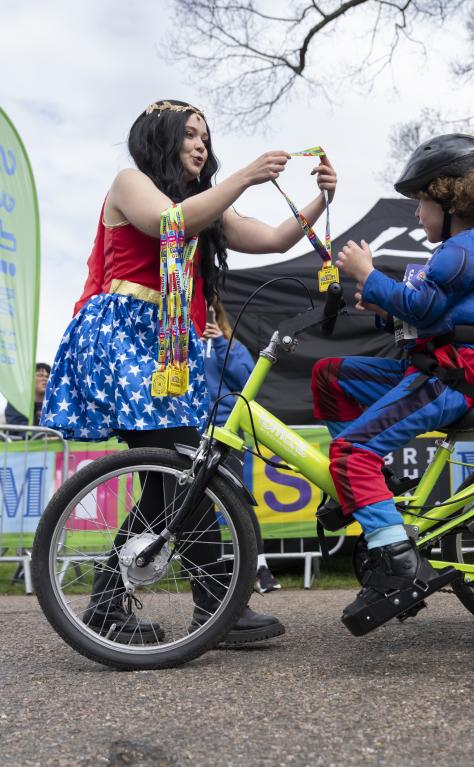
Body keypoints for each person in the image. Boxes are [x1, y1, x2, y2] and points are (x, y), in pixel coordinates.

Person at [41, 99, 336, 644]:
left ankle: (112, 606)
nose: (201, 144)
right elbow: (167, 223)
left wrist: (322, 198)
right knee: (183, 469)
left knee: (168, 482)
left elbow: (272, 239)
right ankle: (219, 607)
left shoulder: (204, 204)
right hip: (123, 338)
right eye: (189, 134)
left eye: (205, 136)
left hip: (165, 351)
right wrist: (246, 175)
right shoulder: (130, 182)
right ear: (161, 139)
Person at [311, 134, 474, 634]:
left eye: (422, 203)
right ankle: (365, 484)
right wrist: (385, 308)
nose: (417, 214)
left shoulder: (465, 247)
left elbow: (424, 308)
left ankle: (397, 564)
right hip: (431, 365)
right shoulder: (466, 248)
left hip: (454, 377)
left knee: (350, 454)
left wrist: (369, 274)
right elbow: (426, 317)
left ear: (450, 200)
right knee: (329, 375)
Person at [202, 296, 281, 594]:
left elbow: (249, 382)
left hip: (227, 434)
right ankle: (210, 579)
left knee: (237, 499)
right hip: (194, 432)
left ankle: (259, 568)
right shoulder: (179, 344)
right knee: (195, 505)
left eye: (211, 310)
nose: (206, 315)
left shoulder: (231, 345)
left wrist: (222, 344)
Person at [4, 362, 50, 427]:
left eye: (48, 376)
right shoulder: (16, 401)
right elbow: (18, 426)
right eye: (40, 375)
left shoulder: (55, 403)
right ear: (30, 378)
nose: (45, 379)